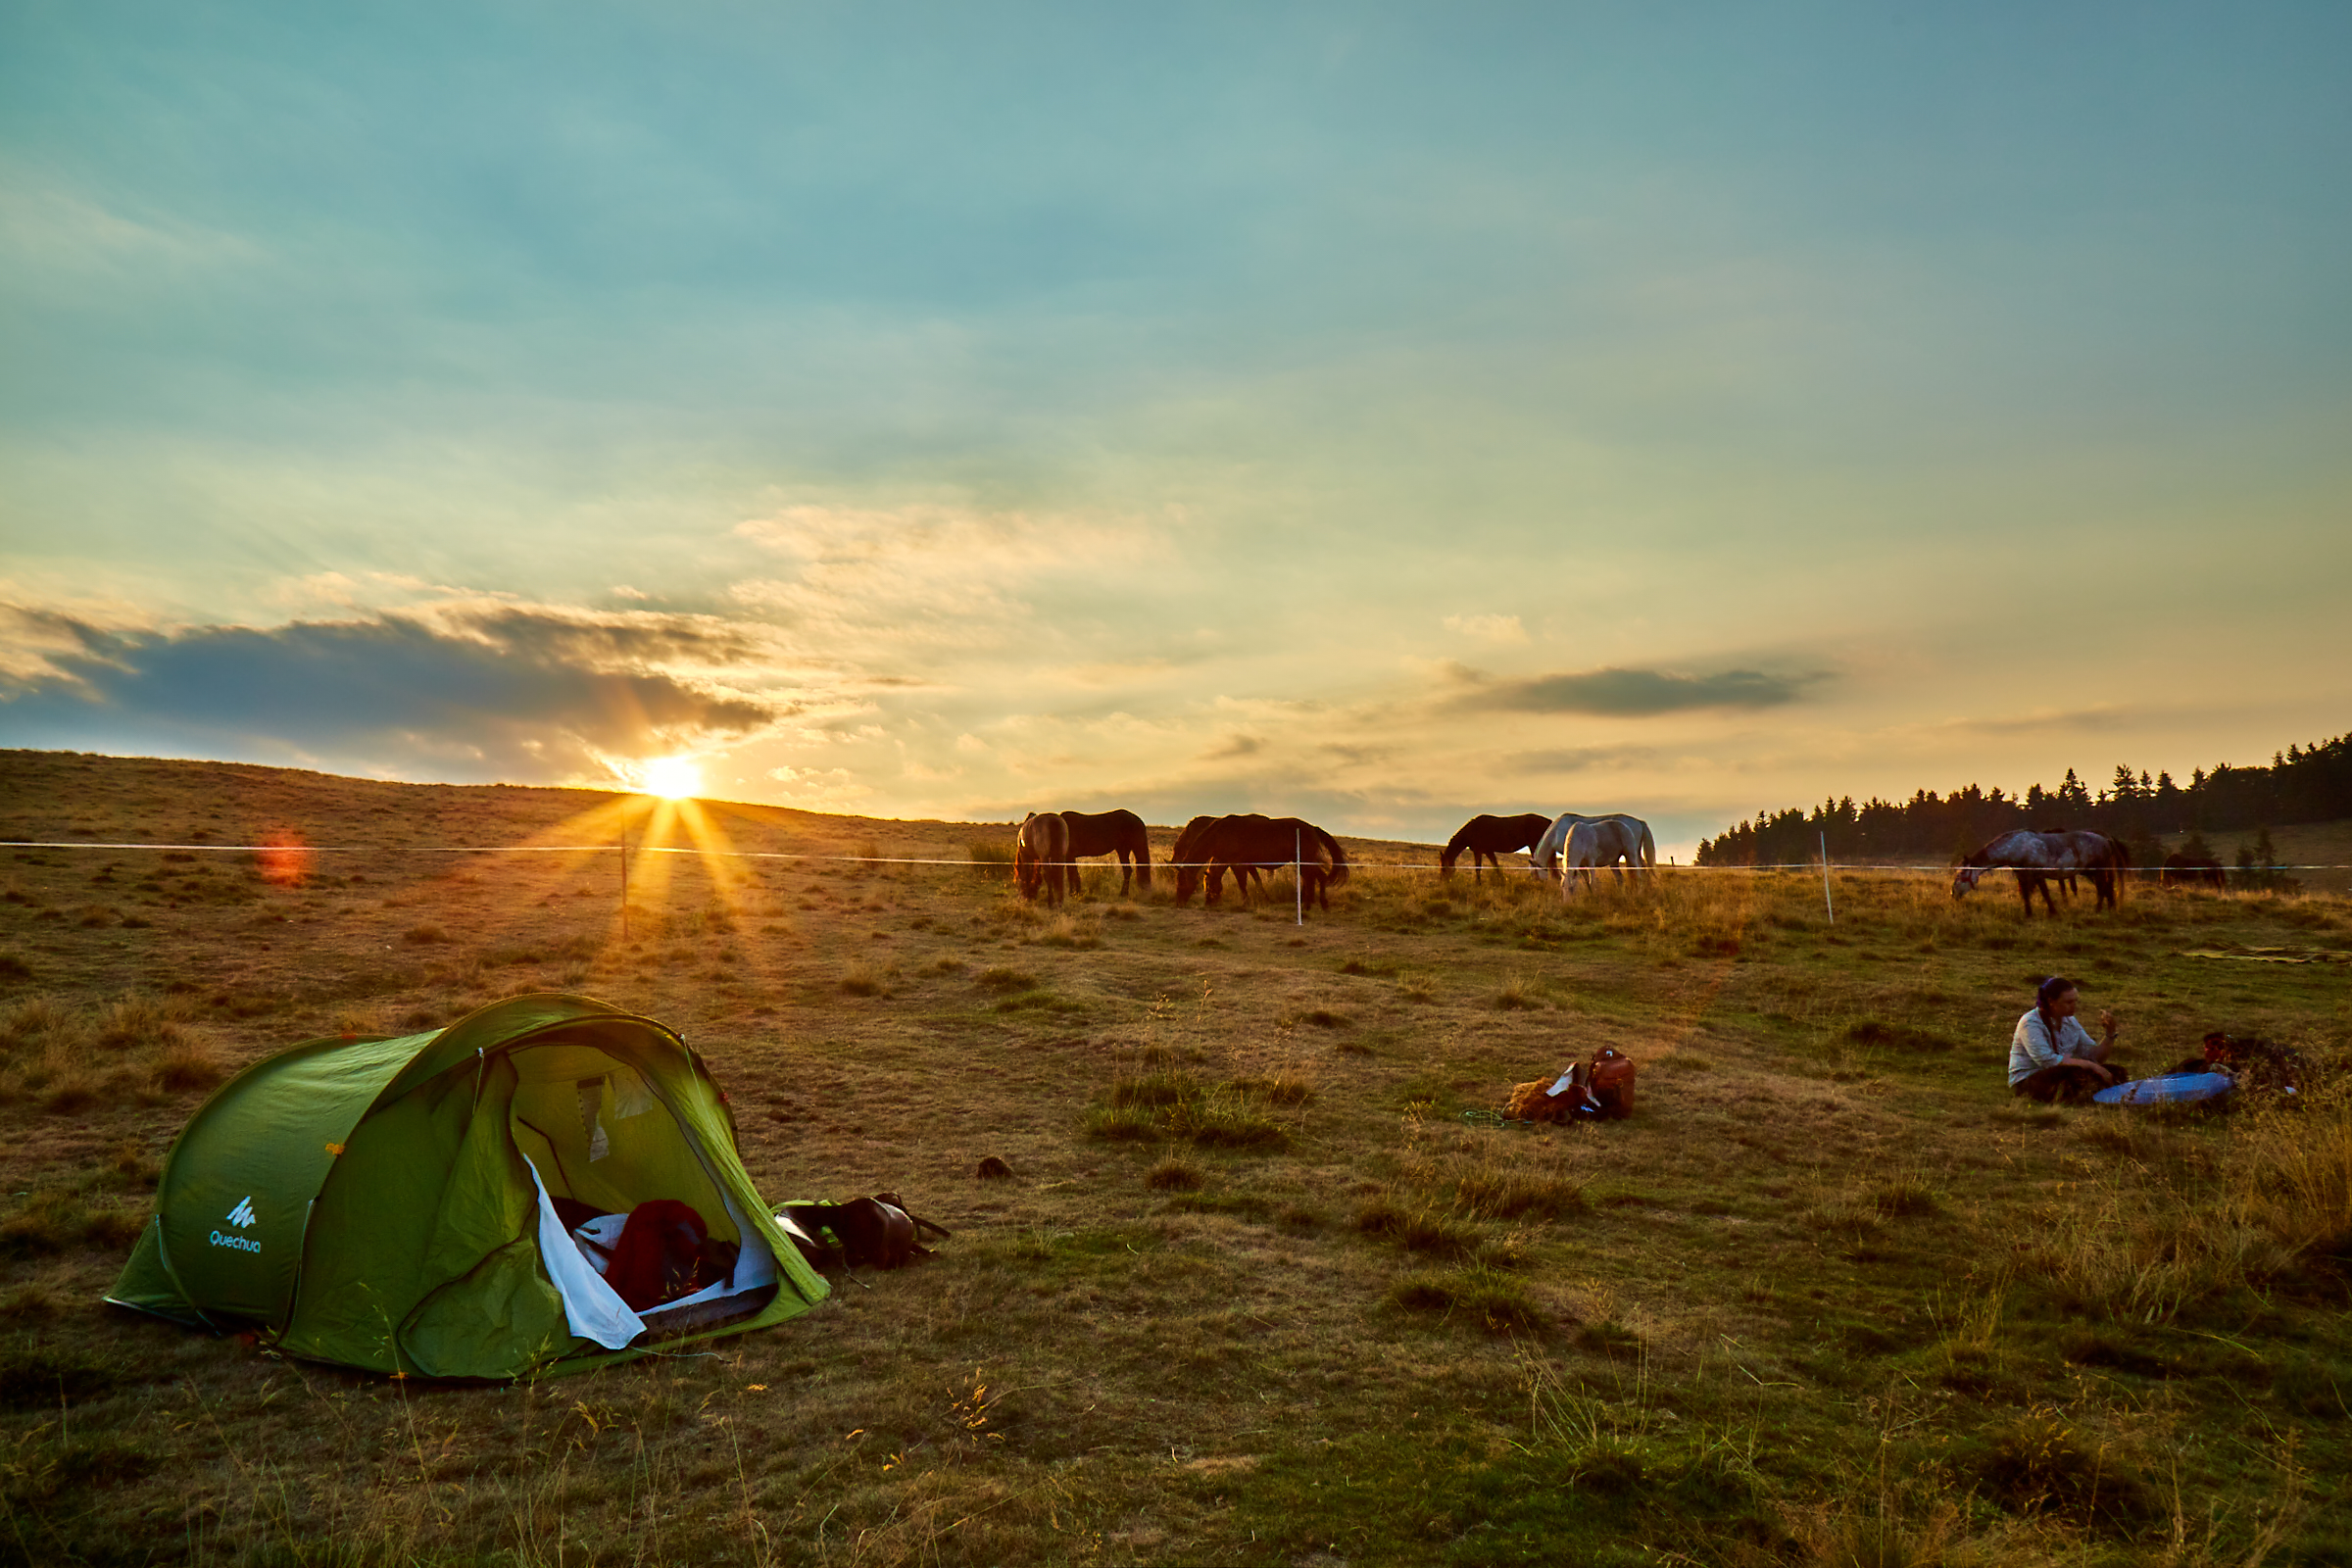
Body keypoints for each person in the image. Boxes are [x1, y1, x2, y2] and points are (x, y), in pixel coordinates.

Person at [2008, 976, 2127, 1102]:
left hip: (2060, 1073)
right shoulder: (2030, 1022)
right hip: (2029, 1080)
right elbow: (2046, 1060)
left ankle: (2108, 1096)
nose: (2074, 1006)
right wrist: (2093, 1067)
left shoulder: (2070, 1021)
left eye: (2075, 1001)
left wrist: (2110, 1034)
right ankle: (2096, 1096)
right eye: (2068, 1002)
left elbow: (2093, 1055)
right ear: (2051, 1002)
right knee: (2075, 1073)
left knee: (2116, 1071)